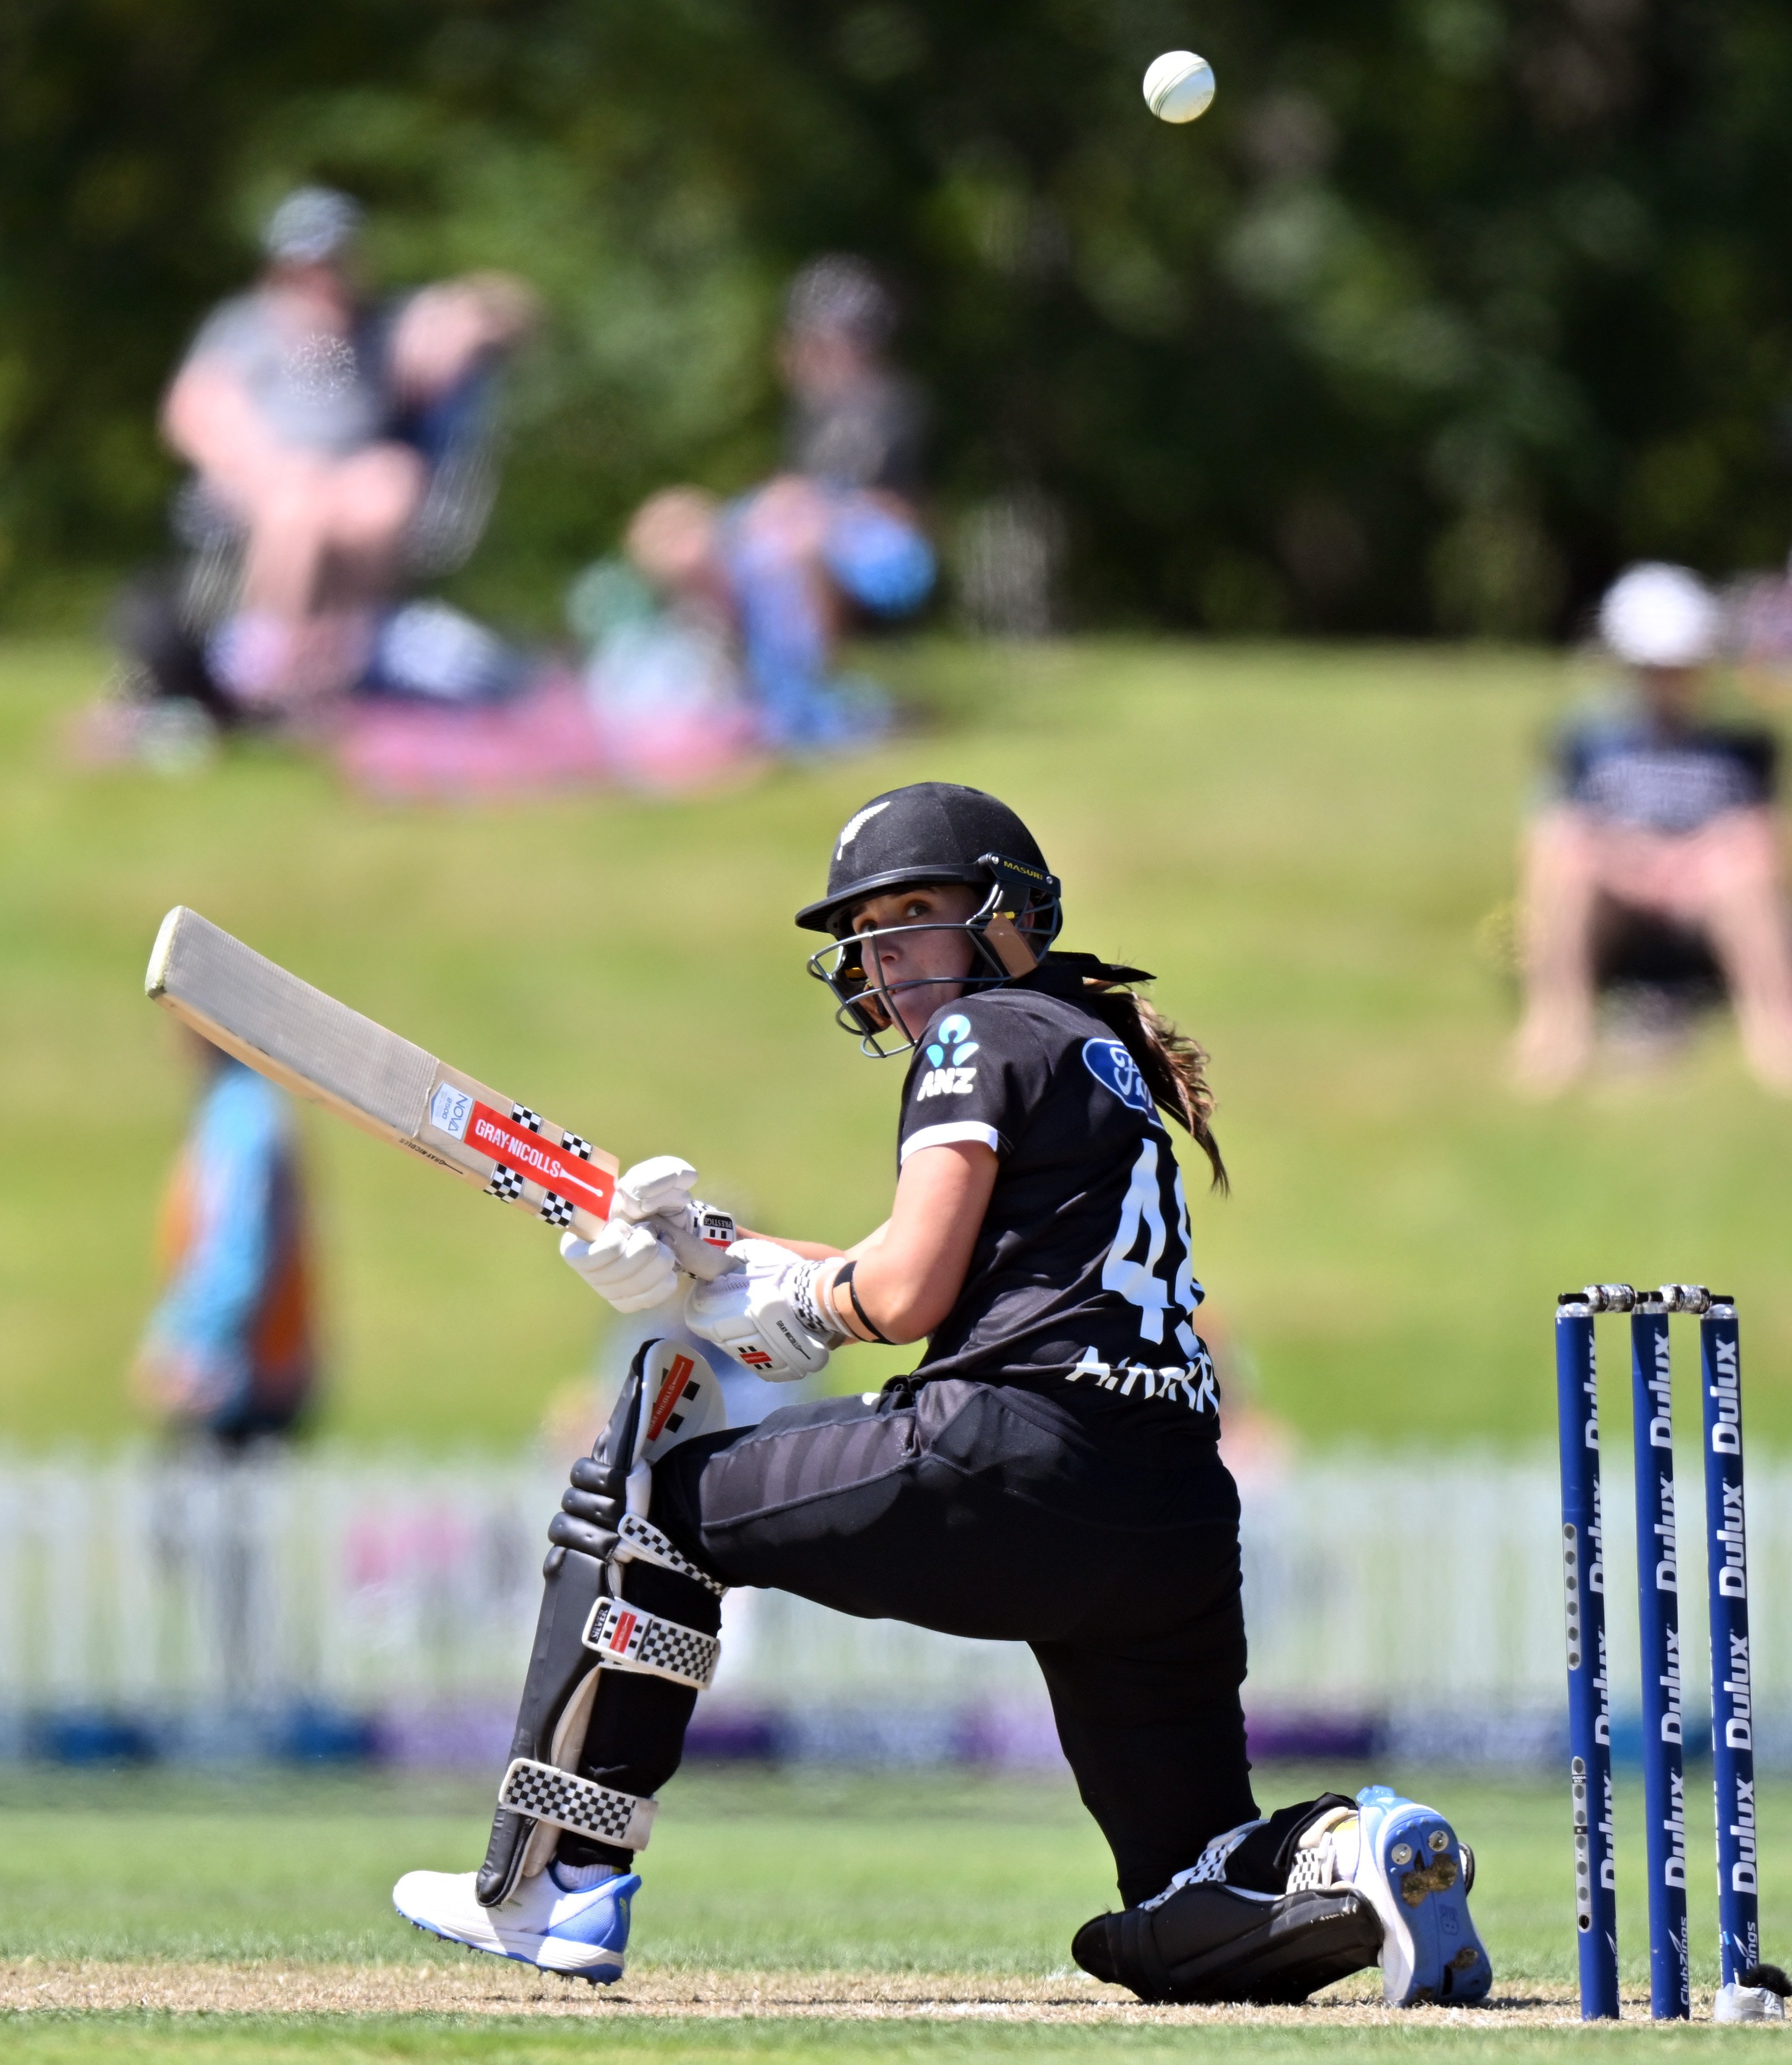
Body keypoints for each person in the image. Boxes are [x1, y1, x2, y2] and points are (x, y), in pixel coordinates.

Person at [389, 783, 1492, 2008]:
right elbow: (951, 1264)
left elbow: (905, 1291)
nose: (888, 954)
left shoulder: (978, 1036)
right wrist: (709, 1253)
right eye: (869, 930)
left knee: (649, 1495)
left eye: (917, 912)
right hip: (1170, 1516)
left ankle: (558, 1883)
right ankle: (1354, 1853)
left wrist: (800, 1311)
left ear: (1007, 914)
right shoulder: (1095, 1048)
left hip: (1006, 1458)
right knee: (1183, 1898)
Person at [157, 187, 534, 714]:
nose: (322, 278)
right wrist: (254, 462)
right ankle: (270, 662)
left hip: (352, 474)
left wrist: (463, 327)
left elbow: (509, 314)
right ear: (281, 267)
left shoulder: (380, 327)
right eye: (307, 265)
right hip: (262, 475)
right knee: (297, 505)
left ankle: (344, 657)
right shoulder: (244, 326)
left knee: (388, 488)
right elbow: (190, 411)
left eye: (333, 262)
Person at [1512, 564, 1792, 1096]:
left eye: (1680, 667)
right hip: (1618, 902)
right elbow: (1554, 831)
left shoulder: (1742, 750)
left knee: (1744, 857)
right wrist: (1631, 862)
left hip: (1710, 902)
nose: (1667, 681)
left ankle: (1778, 1034)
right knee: (1566, 854)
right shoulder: (1586, 745)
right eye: (1653, 668)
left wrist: (1696, 866)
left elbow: (1773, 845)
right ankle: (1556, 1028)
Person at [720, 257, 938, 751]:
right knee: (727, 536)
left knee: (797, 550)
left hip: (884, 547)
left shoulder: (896, 406)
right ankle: (745, 696)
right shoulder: (809, 412)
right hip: (821, 530)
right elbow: (801, 484)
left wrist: (818, 510)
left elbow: (902, 509)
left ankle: (812, 704)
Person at [133, 1037, 318, 1449]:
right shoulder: (245, 1106)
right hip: (258, 1367)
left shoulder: (241, 1115)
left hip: (237, 1378)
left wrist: (184, 1349)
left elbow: (235, 1253)